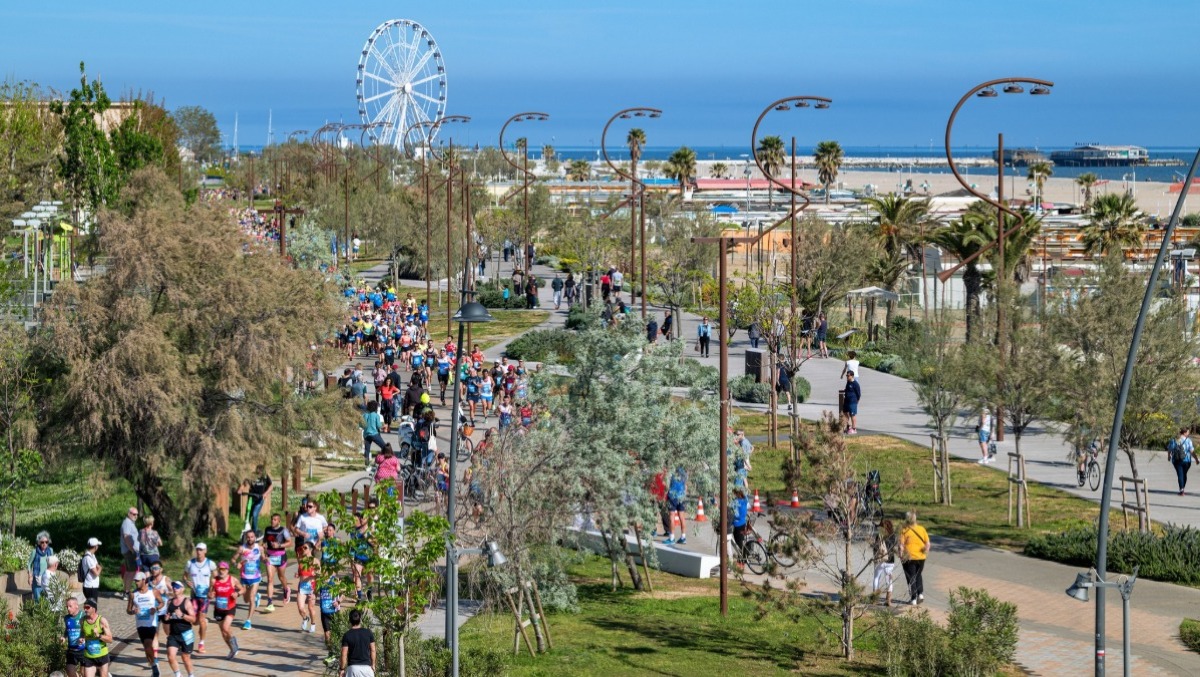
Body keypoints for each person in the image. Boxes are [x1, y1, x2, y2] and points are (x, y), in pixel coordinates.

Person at [127, 571, 164, 677]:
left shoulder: (153, 592)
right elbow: (128, 610)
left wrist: (156, 608)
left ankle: (154, 667)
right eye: (135, 581)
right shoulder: (133, 594)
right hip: (140, 625)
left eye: (138, 581)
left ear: (144, 580)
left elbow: (162, 602)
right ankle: (153, 665)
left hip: (151, 624)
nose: (136, 583)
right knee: (147, 649)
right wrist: (133, 611)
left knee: (148, 645)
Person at [183, 543, 216, 654]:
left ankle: (201, 643)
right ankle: (203, 624)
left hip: (205, 597)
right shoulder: (190, 563)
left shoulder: (210, 564)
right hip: (194, 596)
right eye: (197, 550)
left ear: (205, 551)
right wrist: (187, 582)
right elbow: (185, 576)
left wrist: (213, 590)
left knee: (201, 620)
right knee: (194, 621)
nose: (199, 552)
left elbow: (216, 578)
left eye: (201, 550)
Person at [208, 561, 243, 660]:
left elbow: (242, 589)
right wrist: (210, 595)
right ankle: (232, 649)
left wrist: (237, 594)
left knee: (225, 627)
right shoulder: (214, 581)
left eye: (223, 569)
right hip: (218, 609)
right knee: (223, 633)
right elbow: (210, 593)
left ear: (227, 570)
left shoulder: (233, 580)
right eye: (220, 569)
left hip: (230, 608)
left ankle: (234, 643)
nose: (221, 571)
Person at [164, 581, 197, 677]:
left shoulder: (186, 602)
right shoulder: (169, 602)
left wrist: (182, 615)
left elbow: (194, 619)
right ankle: (178, 675)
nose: (175, 588)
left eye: (177, 586)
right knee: (170, 656)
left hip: (186, 634)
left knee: (185, 657)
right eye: (174, 586)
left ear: (182, 589)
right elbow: (168, 617)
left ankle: (191, 675)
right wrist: (167, 619)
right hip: (174, 634)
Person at [234, 529, 264, 629]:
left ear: (255, 538)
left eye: (252, 537)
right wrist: (236, 564)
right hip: (244, 577)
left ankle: (248, 621)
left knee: (251, 598)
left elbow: (263, 558)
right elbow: (233, 559)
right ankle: (257, 597)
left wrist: (267, 560)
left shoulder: (260, 548)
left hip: (256, 577)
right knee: (246, 600)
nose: (250, 539)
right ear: (246, 538)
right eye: (248, 537)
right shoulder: (242, 548)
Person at [900, 511, 930, 606]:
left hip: (910, 557)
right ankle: (920, 594)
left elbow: (901, 545)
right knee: (918, 574)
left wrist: (901, 556)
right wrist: (925, 552)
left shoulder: (904, 530)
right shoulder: (922, 529)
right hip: (921, 557)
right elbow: (928, 543)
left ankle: (913, 598)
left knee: (911, 576)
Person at [263, 514, 293, 609]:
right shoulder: (267, 529)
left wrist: (279, 545)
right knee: (270, 579)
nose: (273, 521)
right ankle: (269, 602)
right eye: (272, 519)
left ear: (279, 521)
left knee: (281, 577)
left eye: (275, 520)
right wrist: (263, 550)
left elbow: (290, 543)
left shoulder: (284, 530)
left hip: (280, 556)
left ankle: (286, 589)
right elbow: (264, 541)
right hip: (270, 556)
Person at [80, 599, 114, 677]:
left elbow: (110, 639)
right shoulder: (82, 621)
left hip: (102, 655)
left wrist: (99, 635)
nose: (85, 609)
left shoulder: (102, 621)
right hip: (89, 655)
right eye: (84, 607)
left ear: (94, 608)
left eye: (87, 607)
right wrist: (82, 638)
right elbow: (82, 633)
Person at [340, 608, 377, 677]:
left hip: (353, 668)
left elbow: (344, 654)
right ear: (360, 619)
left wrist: (342, 669)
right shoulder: (368, 633)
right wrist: (373, 664)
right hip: (367, 668)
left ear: (350, 620)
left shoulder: (347, 635)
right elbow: (373, 650)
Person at [871, 519, 899, 607]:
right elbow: (893, 548)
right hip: (889, 560)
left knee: (876, 578)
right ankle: (888, 600)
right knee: (889, 580)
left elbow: (875, 547)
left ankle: (875, 599)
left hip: (879, 560)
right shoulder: (893, 536)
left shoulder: (879, 535)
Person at [296, 542, 318, 634]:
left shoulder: (315, 561)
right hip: (302, 587)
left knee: (310, 608)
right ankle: (305, 618)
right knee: (300, 607)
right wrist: (298, 574)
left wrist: (315, 574)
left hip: (311, 587)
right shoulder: (301, 559)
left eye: (305, 548)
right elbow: (300, 572)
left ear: (311, 549)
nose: (303, 549)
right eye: (302, 548)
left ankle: (313, 624)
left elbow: (319, 573)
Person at [243, 465, 273, 534]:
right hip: (251, 498)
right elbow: (245, 482)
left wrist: (265, 494)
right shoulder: (252, 476)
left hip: (260, 499)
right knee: (248, 514)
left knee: (254, 514)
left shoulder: (265, 477)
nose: (259, 473)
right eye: (258, 471)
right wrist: (241, 489)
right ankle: (247, 530)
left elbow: (271, 486)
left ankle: (254, 532)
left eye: (260, 472)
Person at [663, 466, 688, 545]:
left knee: (671, 517)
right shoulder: (684, 472)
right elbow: (686, 485)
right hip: (682, 496)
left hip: (673, 496)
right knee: (682, 517)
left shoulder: (672, 470)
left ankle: (672, 538)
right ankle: (683, 537)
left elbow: (667, 484)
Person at [63, 596, 87, 677]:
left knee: (84, 674)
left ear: (76, 606)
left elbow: (89, 630)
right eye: (67, 606)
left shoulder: (83, 616)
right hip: (71, 650)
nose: (68, 609)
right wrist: (64, 637)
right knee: (70, 672)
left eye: (70, 606)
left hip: (83, 650)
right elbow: (67, 629)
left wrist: (84, 638)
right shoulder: (66, 618)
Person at [120, 506, 140, 598]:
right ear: (129, 514)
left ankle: (125, 590)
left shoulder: (130, 523)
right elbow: (127, 537)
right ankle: (127, 592)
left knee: (128, 571)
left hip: (129, 550)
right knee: (132, 572)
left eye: (137, 514)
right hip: (129, 551)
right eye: (134, 514)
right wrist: (132, 549)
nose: (136, 516)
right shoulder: (127, 523)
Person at [28, 530, 53, 602]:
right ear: (39, 542)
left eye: (46, 542)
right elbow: (29, 564)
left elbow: (52, 563)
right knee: (37, 599)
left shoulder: (50, 551)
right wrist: (30, 576)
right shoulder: (34, 551)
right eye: (42, 542)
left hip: (47, 578)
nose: (44, 544)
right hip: (37, 578)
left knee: (47, 599)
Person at [361, 401, 387, 470]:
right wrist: (383, 425)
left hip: (366, 434)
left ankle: (367, 466)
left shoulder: (364, 415)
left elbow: (361, 425)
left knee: (367, 450)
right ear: (375, 408)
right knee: (384, 447)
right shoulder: (376, 415)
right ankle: (382, 461)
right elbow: (378, 426)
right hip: (374, 434)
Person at [1169, 428, 1195, 496]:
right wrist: (1196, 459)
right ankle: (1182, 488)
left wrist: (1169, 457)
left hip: (1176, 460)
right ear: (1184, 433)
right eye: (1188, 432)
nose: (1188, 434)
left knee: (1180, 474)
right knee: (1184, 474)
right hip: (1187, 461)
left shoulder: (1174, 440)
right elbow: (1191, 451)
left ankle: (1181, 489)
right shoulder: (1188, 441)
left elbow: (1170, 449)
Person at [81, 537, 102, 608]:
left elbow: (96, 566)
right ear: (95, 547)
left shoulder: (92, 556)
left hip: (93, 585)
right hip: (90, 586)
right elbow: (96, 572)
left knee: (93, 606)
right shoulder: (88, 558)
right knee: (91, 607)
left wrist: (98, 568)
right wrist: (100, 569)